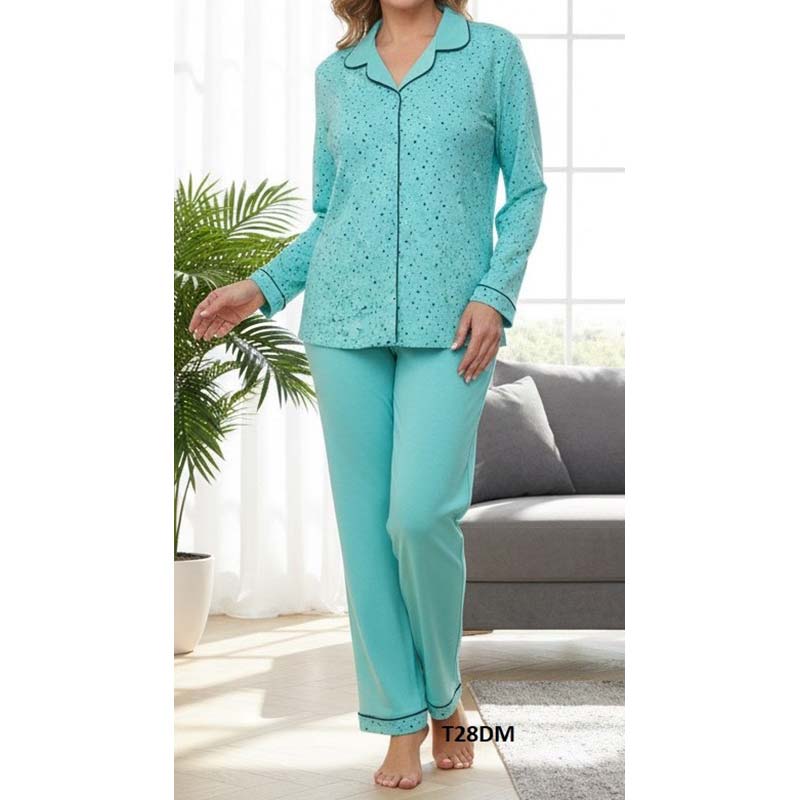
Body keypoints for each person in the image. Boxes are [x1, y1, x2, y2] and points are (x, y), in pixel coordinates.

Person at [189, 0, 545, 790]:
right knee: (366, 535)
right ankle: (399, 721)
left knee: (417, 516)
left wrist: (496, 293)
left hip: (454, 325)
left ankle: (446, 695)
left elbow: (526, 191)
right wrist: (261, 286)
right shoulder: (337, 76)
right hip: (342, 323)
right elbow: (330, 216)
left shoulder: (491, 55)